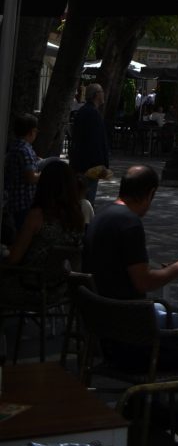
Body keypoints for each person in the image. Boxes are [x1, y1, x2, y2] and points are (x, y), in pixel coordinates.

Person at [83, 165, 178, 375]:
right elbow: (144, 282)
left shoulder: (102, 215)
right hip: (131, 331)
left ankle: (159, 403)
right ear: (151, 193)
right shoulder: (129, 223)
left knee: (167, 312)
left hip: (106, 321)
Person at [0, 159, 84, 307]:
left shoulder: (37, 215)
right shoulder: (77, 217)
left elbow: (14, 259)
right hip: (59, 289)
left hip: (29, 287)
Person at [68, 83, 109, 204]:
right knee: (86, 199)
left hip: (81, 162)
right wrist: (102, 164)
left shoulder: (84, 111)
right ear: (96, 95)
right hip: (90, 165)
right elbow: (96, 142)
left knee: (81, 197)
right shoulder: (92, 114)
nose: (103, 94)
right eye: (102, 91)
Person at [4, 113, 41, 229]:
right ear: (32, 132)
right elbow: (31, 177)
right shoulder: (25, 150)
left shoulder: (15, 146)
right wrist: (43, 174)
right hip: (23, 202)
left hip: (12, 200)